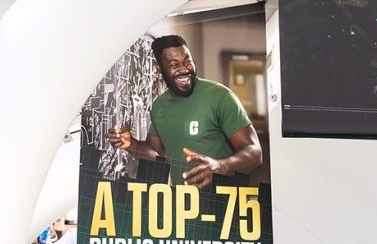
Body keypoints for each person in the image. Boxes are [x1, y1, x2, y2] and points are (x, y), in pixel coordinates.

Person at [107, 35, 262, 188]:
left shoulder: (220, 96)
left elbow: (255, 153)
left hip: (225, 205)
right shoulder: (160, 105)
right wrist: (131, 144)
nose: (184, 69)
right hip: (184, 206)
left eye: (187, 61)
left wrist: (221, 165)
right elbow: (157, 154)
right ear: (159, 68)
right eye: (174, 64)